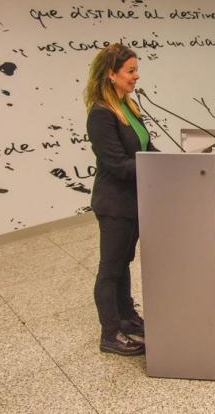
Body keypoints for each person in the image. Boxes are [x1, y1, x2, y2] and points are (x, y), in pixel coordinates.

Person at [84, 44, 157, 356]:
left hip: (135, 202)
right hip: (115, 205)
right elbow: (117, 164)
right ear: (111, 75)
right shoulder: (101, 114)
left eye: (136, 69)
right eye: (130, 71)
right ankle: (110, 333)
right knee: (110, 269)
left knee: (124, 263)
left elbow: (145, 146)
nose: (136, 76)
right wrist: (156, 169)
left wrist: (167, 163)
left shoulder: (129, 106)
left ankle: (127, 318)